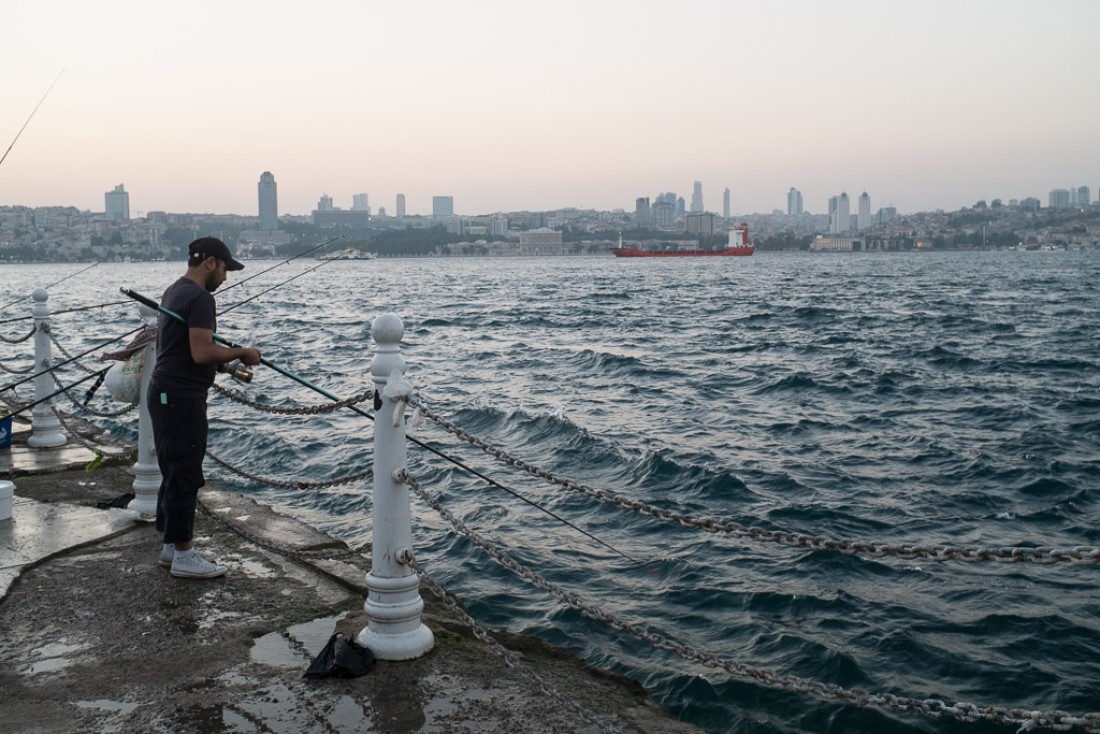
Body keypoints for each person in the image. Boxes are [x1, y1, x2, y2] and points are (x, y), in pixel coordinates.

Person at [148, 237, 261, 579]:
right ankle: (184, 555)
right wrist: (242, 352)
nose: (226, 278)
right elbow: (201, 351)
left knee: (172, 470)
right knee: (185, 473)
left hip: (163, 391)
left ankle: (171, 546)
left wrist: (221, 361)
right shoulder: (200, 297)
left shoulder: (175, 290)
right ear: (211, 262)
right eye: (226, 269)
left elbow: (185, 349)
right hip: (182, 397)